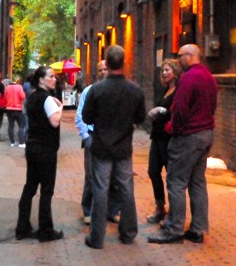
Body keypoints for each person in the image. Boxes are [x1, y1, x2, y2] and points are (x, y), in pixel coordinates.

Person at [148, 44, 218, 245]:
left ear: (190, 56)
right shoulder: (209, 77)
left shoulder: (188, 78)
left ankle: (174, 229)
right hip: (206, 133)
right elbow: (212, 106)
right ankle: (197, 229)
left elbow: (179, 110)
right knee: (197, 182)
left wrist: (172, 128)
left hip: (189, 136)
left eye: (180, 57)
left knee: (176, 182)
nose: (178, 60)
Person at [82, 45, 146, 249]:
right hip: (123, 148)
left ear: (107, 64)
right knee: (126, 189)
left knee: (100, 190)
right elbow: (141, 118)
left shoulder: (97, 90)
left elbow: (86, 117)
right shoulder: (134, 90)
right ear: (123, 63)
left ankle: (97, 237)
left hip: (101, 147)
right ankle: (128, 233)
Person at [15, 65, 64, 242]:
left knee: (30, 187)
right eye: (51, 76)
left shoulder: (32, 97)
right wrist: (61, 108)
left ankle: (22, 226)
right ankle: (46, 230)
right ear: (41, 79)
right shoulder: (48, 99)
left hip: (32, 147)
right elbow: (55, 122)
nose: (54, 79)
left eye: (54, 76)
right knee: (46, 190)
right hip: (46, 149)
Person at [75, 60, 121, 225]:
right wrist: (86, 137)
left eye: (105, 69)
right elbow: (80, 116)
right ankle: (88, 210)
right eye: (100, 69)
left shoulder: (118, 91)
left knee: (115, 176)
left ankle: (113, 210)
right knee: (91, 176)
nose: (103, 72)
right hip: (94, 137)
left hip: (113, 140)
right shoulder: (89, 91)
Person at [145, 58, 181, 223]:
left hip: (169, 138)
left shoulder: (178, 91)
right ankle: (160, 207)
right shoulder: (164, 90)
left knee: (171, 175)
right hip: (157, 137)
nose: (165, 73)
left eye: (167, 70)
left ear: (175, 71)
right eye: (163, 71)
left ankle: (174, 212)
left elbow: (176, 113)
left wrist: (162, 111)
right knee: (153, 171)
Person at [4, 79, 27, 147]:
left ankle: (12, 142)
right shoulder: (19, 87)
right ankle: (21, 143)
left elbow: (5, 97)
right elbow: (23, 97)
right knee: (21, 126)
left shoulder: (7, 88)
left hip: (9, 109)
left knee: (11, 125)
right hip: (18, 109)